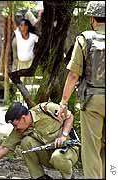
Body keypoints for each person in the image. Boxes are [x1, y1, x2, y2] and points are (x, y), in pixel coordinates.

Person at [57, 1, 105, 179]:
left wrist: (63, 103)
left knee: (92, 150)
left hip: (92, 101)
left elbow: (73, 76)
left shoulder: (84, 39)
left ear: (92, 18)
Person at [0, 102, 79, 179]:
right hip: (49, 156)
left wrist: (64, 135)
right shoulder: (21, 129)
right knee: (26, 142)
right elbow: (4, 148)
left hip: (68, 151)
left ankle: (69, 177)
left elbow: (69, 116)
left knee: (58, 157)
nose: (15, 128)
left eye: (15, 124)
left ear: (23, 118)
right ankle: (39, 177)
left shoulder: (46, 109)